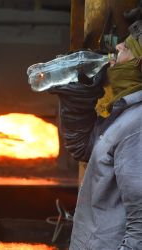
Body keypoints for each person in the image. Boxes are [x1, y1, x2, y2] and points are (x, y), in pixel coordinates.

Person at [49, 19, 142, 250]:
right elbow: (84, 148)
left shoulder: (137, 127)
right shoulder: (126, 112)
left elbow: (140, 223)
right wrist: (78, 96)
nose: (118, 46)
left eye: (128, 47)